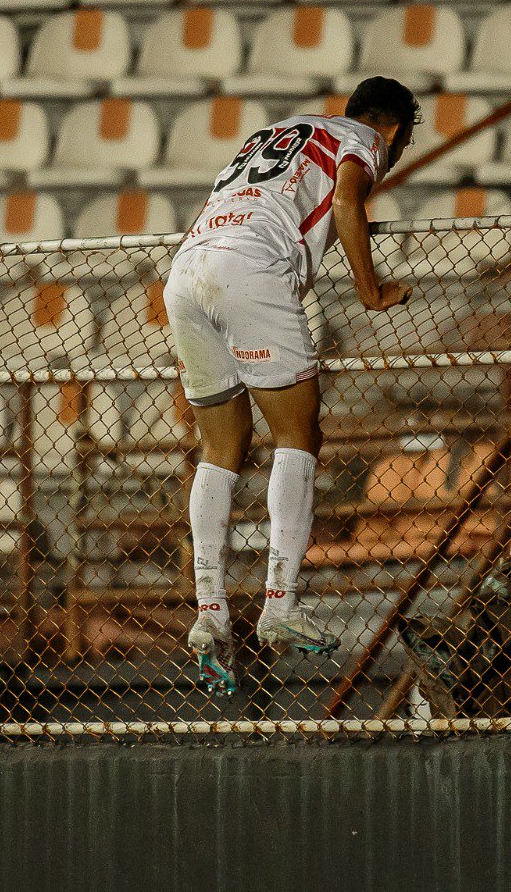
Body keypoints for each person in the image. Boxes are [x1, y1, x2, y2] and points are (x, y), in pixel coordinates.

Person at [165, 77, 419, 695]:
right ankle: (280, 604)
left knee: (221, 448)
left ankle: (209, 613)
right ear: (397, 129)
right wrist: (372, 289)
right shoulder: (360, 139)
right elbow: (347, 203)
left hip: (186, 272)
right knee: (298, 434)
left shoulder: (273, 131)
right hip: (251, 268)